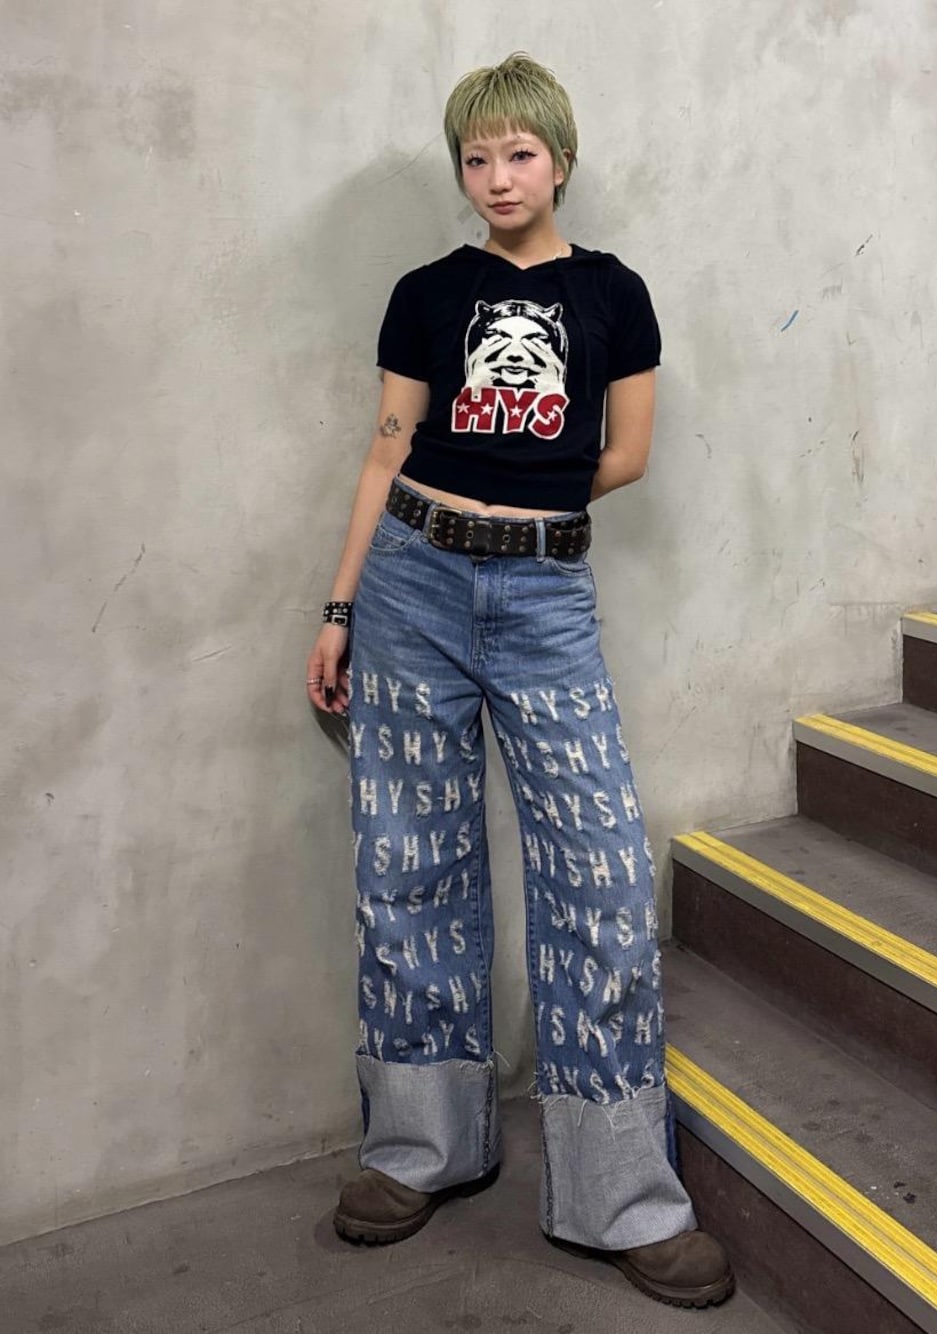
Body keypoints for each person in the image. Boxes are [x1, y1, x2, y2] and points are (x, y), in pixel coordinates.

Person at [306, 53, 734, 1310]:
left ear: (560, 159)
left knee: (598, 869)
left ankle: (621, 1192)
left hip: (544, 594)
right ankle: (419, 1146)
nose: (497, 178)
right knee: (408, 858)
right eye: (476, 158)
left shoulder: (613, 293)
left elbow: (626, 452)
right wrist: (339, 605)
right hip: (410, 583)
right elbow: (386, 447)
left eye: (519, 154)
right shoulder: (426, 293)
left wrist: (523, 507)